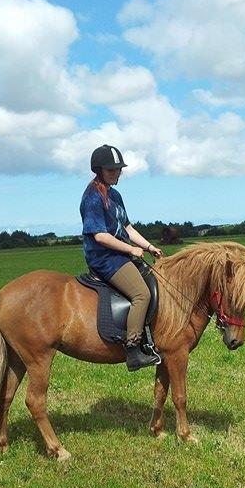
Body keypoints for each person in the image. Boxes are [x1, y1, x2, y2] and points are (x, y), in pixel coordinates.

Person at [80, 144, 164, 371]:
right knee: (141, 294)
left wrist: (148, 246)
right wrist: (130, 250)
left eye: (118, 169)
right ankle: (133, 349)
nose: (116, 173)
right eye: (111, 170)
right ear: (99, 170)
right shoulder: (93, 198)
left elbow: (126, 227)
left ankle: (150, 337)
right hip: (105, 258)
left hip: (119, 254)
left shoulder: (115, 195)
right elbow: (100, 236)